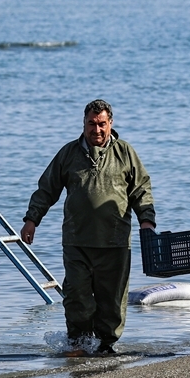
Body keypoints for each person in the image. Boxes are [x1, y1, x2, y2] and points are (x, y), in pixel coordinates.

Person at [21, 100, 156, 355]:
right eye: (91, 124)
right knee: (77, 298)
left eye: (102, 124)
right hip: (77, 241)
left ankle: (105, 346)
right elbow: (47, 189)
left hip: (115, 242)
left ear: (110, 124)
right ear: (83, 124)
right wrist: (32, 220)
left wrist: (146, 221)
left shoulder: (125, 153)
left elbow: (141, 189)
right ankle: (78, 345)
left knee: (112, 303)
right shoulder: (68, 153)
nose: (97, 130)